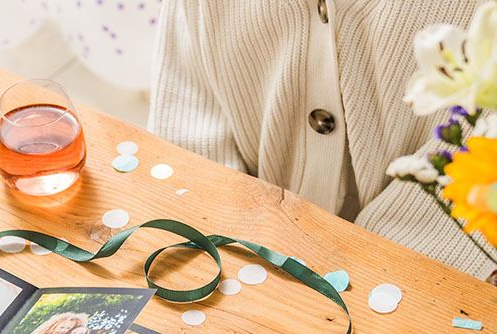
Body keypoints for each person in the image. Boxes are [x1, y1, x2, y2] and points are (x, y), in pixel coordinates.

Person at [148, 0, 497, 281]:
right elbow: (187, 116)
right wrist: (224, 238)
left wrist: (380, 274)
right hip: (229, 276)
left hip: (430, 287)